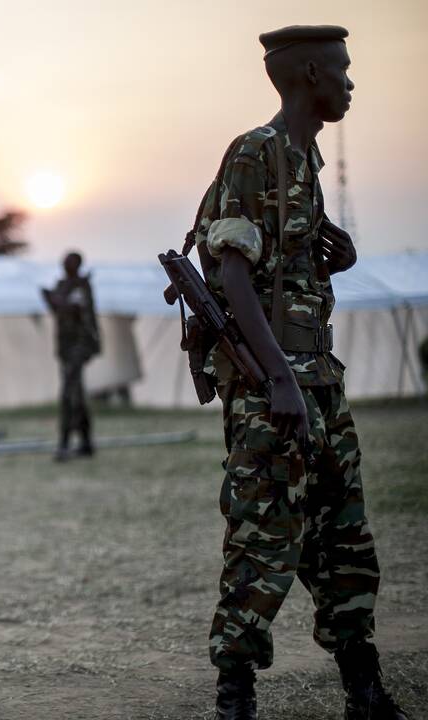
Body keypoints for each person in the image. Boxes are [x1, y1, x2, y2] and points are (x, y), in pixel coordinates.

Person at [193, 26, 408, 720]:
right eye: (342, 71)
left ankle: (364, 690)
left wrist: (328, 263)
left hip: (321, 376)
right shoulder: (256, 151)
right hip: (274, 384)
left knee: (345, 535)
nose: (349, 84)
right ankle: (235, 696)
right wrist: (278, 378)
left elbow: (278, 269)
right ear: (310, 73)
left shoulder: (304, 161)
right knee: (264, 536)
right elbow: (229, 267)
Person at [42, 252, 101, 460]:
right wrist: (51, 298)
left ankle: (64, 443)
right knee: (75, 392)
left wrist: (57, 299)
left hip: (79, 345)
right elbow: (56, 308)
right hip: (66, 346)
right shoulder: (64, 285)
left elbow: (77, 309)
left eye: (70, 263)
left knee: (68, 392)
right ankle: (85, 443)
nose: (66, 266)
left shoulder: (81, 286)